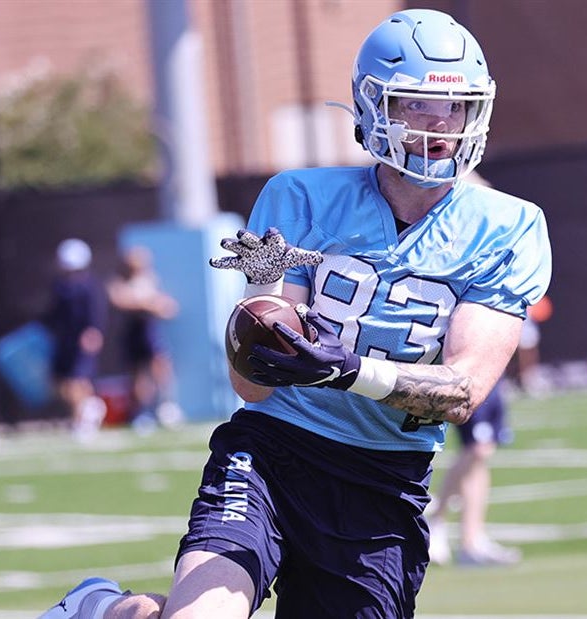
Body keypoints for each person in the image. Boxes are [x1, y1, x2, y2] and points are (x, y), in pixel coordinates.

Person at [41, 8, 551, 619]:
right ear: (374, 107)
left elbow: (463, 391)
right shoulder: (298, 196)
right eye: (417, 105)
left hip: (383, 483)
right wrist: (268, 334)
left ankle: (109, 612)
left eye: (455, 107)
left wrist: (349, 371)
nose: (440, 126)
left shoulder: (511, 227)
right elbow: (248, 383)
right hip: (275, 452)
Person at [425, 382, 520, 567]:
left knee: (482, 452)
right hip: (472, 374)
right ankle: (440, 527)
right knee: (476, 449)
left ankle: (472, 538)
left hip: (494, 373)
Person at [106, 246, 181, 430]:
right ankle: (141, 412)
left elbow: (167, 306)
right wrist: (146, 303)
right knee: (138, 375)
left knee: (161, 366)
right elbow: (120, 300)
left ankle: (166, 406)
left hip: (149, 331)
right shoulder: (119, 281)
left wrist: (148, 303)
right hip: (132, 332)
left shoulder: (149, 279)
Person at [43, 238, 107, 443]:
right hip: (64, 340)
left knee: (77, 380)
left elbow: (95, 312)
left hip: (81, 340)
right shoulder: (60, 286)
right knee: (61, 382)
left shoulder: (88, 285)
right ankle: (90, 408)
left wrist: (93, 331)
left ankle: (82, 420)